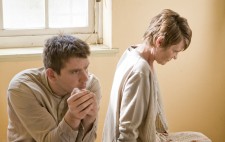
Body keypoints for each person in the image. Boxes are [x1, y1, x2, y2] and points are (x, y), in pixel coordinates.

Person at [102, 9, 211, 142]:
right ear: (159, 41)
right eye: (174, 51)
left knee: (200, 137)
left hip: (151, 136)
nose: (175, 57)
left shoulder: (133, 52)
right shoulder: (140, 71)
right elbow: (127, 131)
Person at [7, 34, 101, 142]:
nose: (85, 78)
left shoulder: (91, 85)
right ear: (51, 74)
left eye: (86, 68)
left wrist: (89, 122)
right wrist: (73, 118)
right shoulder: (22, 89)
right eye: (75, 71)